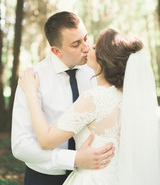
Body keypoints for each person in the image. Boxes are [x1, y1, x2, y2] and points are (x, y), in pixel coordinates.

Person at [19, 27, 160, 185]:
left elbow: (46, 140)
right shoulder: (128, 99)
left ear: (102, 61)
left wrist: (31, 94)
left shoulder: (94, 98)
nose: (87, 47)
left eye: (94, 47)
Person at [11, 11, 114, 185]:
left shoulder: (96, 70)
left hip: (93, 176)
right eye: (76, 44)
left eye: (86, 38)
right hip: (44, 178)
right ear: (56, 51)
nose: (86, 47)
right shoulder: (33, 78)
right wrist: (73, 159)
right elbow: (20, 145)